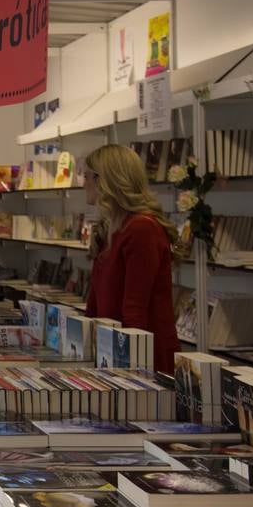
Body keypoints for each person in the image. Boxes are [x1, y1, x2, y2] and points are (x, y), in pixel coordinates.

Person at [82, 143, 180, 372]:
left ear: (105, 180)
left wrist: (132, 372)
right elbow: (95, 302)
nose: (83, 182)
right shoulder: (112, 228)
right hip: (113, 353)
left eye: (87, 176)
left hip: (141, 360)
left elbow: (135, 311)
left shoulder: (141, 229)